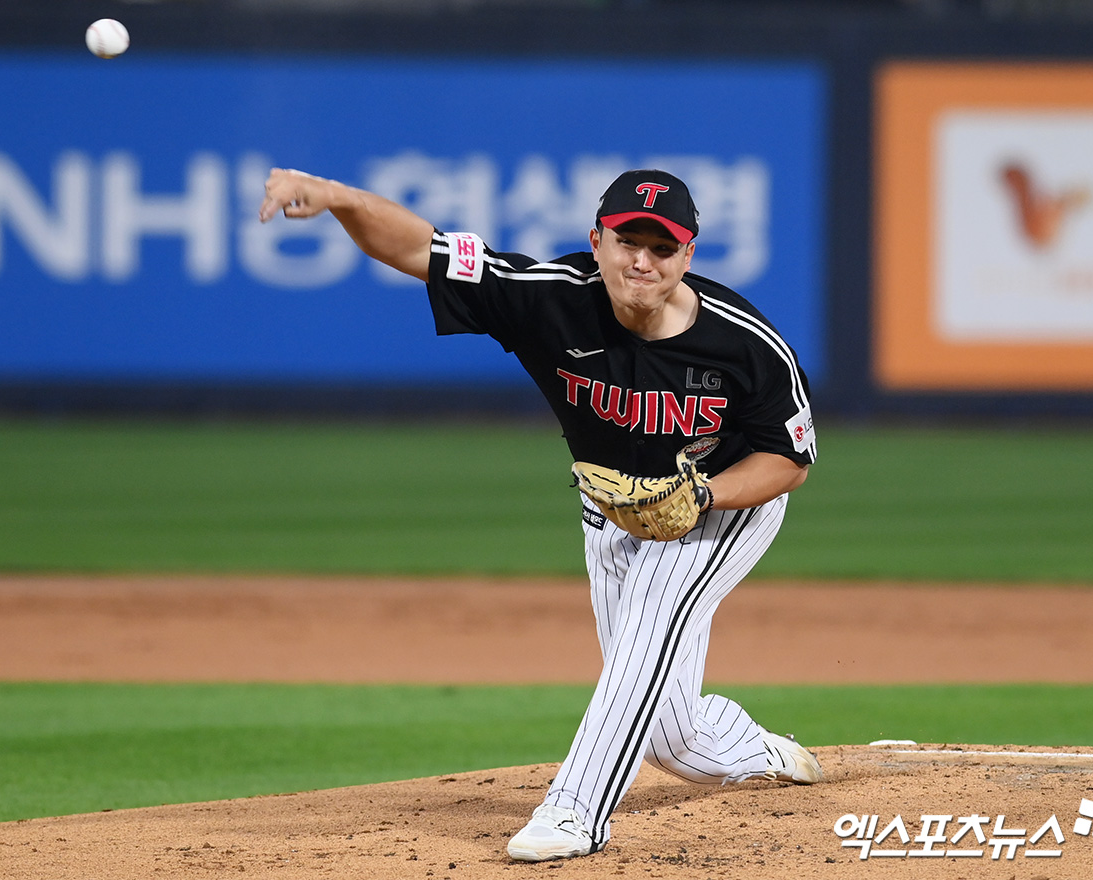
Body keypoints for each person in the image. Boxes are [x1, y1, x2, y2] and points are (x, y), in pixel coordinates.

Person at [258, 166, 823, 862]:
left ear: (688, 257)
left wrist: (704, 496)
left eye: (662, 247)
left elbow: (790, 461)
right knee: (670, 735)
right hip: (610, 506)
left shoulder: (745, 345)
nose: (641, 260)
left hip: (720, 503)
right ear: (597, 241)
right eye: (626, 242)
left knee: (649, 622)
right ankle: (749, 749)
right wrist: (341, 197)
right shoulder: (548, 300)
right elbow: (420, 251)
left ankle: (576, 811)